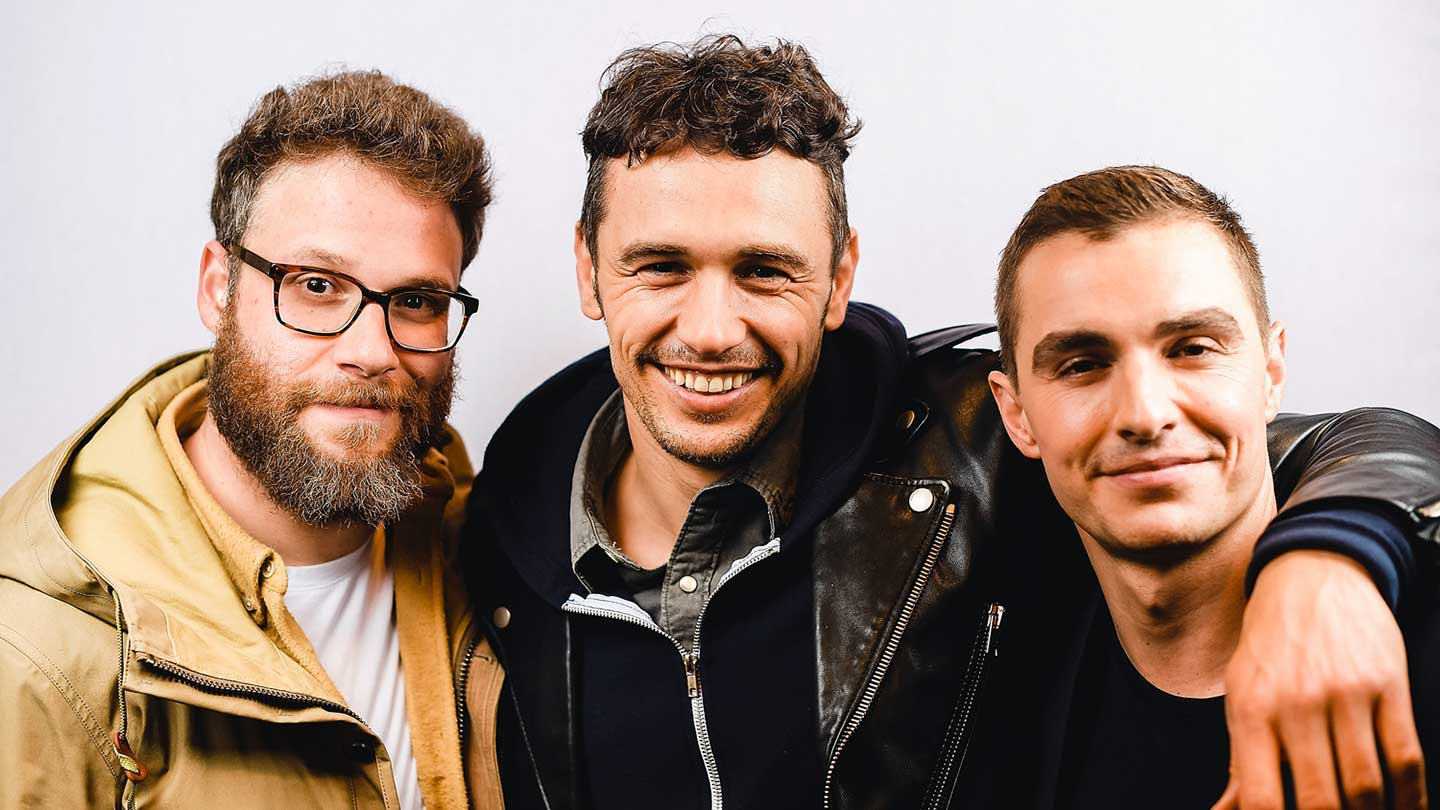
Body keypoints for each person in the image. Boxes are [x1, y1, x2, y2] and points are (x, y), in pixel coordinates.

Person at [463, 36, 1440, 810]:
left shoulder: (962, 442)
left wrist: (1329, 573)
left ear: (841, 276)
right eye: (661, 267)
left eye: (765, 270)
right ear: (589, 270)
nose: (713, 331)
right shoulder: (505, 544)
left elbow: (1335, 444)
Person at [0, 71, 503, 810]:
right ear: (218, 288)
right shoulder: (38, 651)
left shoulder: (486, 554)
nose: (371, 350)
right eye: (317, 285)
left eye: (418, 300)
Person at [965, 165, 1439, 810]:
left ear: (1271, 372)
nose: (1144, 413)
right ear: (1016, 414)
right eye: (1082, 364)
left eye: (1192, 348)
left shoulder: (1411, 644)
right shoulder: (984, 676)